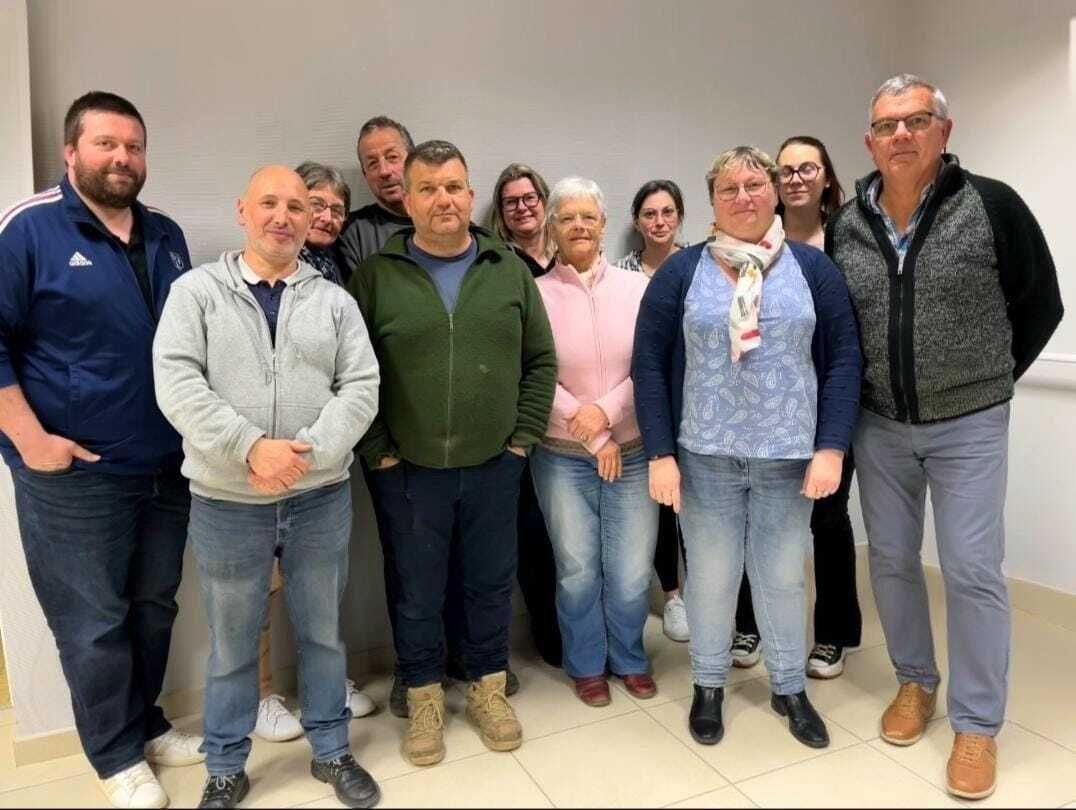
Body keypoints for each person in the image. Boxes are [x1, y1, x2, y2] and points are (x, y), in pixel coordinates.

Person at [827, 74, 1063, 800]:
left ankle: (977, 724)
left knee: (971, 569)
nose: (901, 134)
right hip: (879, 424)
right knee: (891, 560)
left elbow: (1041, 304)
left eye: (917, 120)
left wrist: (989, 381)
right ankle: (915, 682)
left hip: (970, 425)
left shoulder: (991, 205)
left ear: (944, 132)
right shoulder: (847, 224)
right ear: (869, 141)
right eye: (886, 125)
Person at [153, 165, 382, 809]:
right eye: (269, 203)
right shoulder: (196, 293)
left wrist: (305, 456)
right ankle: (226, 766)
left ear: (310, 221)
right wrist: (251, 447)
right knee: (231, 642)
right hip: (227, 501)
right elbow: (177, 384)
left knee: (322, 632)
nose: (283, 217)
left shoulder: (334, 302)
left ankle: (331, 752)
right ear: (243, 211)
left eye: (297, 207)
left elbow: (361, 387)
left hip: (319, 496)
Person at [0, 91, 203, 810]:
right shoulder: (29, 228)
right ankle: (114, 755)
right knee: (92, 625)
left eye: (134, 146)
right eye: (106, 144)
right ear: (71, 152)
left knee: (153, 607)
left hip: (165, 467)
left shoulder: (166, 233)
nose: (122, 158)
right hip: (76, 476)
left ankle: (145, 725)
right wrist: (30, 440)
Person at [633, 146, 862, 751]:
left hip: (789, 458)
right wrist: (660, 453)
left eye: (755, 184)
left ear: (774, 192)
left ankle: (789, 687)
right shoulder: (682, 272)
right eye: (729, 188)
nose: (744, 197)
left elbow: (844, 359)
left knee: (782, 576)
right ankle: (708, 684)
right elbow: (649, 365)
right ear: (712, 201)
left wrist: (831, 446)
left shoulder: (812, 269)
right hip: (703, 455)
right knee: (711, 577)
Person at [349, 140, 555, 767]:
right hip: (408, 471)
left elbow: (540, 361)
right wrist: (380, 452)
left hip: (495, 464)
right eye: (429, 188)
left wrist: (521, 441)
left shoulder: (507, 269)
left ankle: (488, 690)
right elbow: (352, 373)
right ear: (408, 200)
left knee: (490, 583)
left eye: (454, 187)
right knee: (417, 591)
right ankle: (424, 696)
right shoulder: (376, 277)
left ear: (470, 195)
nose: (444, 199)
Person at [252, 161, 375, 744]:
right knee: (260, 585)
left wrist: (321, 447)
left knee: (320, 585)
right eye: (315, 204)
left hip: (322, 462)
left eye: (335, 210)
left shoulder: (337, 274)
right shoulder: (255, 274)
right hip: (256, 463)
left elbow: (355, 376)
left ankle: (324, 685)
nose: (325, 217)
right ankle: (260, 696)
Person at [731, 137, 862, 679]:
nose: (796, 178)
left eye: (808, 168)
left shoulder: (851, 239)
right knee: (754, 516)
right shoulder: (757, 240)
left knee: (827, 517)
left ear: (827, 177)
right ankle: (749, 623)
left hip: (830, 394)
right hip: (764, 402)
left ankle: (833, 633)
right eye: (785, 171)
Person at [531, 177, 657, 706]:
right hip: (562, 455)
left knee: (632, 569)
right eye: (567, 218)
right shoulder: (534, 294)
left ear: (604, 225)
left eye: (588, 216)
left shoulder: (637, 289)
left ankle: (629, 656)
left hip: (632, 451)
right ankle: (586, 664)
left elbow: (652, 364)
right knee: (577, 568)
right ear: (552, 228)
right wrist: (588, 431)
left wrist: (606, 416)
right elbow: (532, 373)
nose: (579, 226)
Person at [488, 163, 563, 667]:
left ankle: (589, 629)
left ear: (544, 199)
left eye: (529, 197)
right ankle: (550, 632)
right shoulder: (497, 264)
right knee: (533, 534)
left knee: (576, 534)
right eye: (511, 201)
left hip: (580, 419)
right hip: (525, 415)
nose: (522, 207)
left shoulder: (571, 254)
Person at [617, 179, 690, 643]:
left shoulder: (700, 262)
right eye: (649, 213)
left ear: (679, 216)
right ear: (636, 221)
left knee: (700, 500)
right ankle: (671, 594)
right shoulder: (622, 273)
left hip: (697, 397)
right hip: (646, 397)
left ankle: (703, 591)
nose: (659, 221)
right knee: (661, 499)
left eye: (667, 212)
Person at [335, 115, 415, 281]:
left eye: (392, 157)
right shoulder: (352, 232)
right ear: (365, 175)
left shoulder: (444, 218)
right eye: (372, 163)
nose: (384, 171)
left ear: (413, 162)